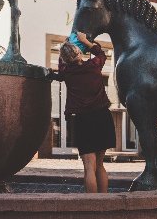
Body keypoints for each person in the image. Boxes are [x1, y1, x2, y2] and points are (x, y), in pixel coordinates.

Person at [47, 31, 115, 193]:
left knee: (89, 167)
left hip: (82, 120)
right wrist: (85, 41)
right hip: (102, 117)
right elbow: (100, 53)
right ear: (79, 53)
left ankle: (92, 207)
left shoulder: (67, 73)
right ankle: (105, 206)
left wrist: (64, 48)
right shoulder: (94, 66)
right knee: (100, 165)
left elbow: (61, 66)